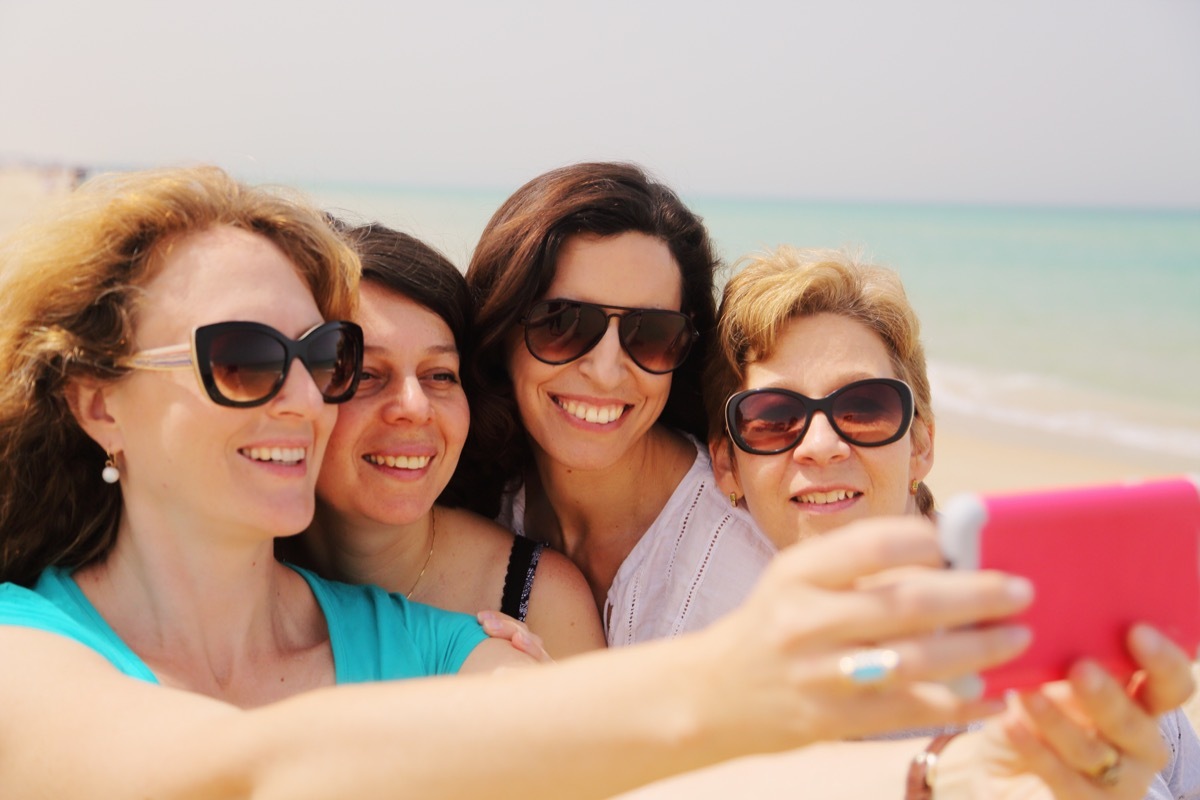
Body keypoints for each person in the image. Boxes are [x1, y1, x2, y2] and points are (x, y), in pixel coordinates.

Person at [0, 166, 1043, 798]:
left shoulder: (437, 638)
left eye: (322, 358)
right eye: (241, 358)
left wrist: (941, 777)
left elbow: (646, 784)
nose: (301, 399)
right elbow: (245, 776)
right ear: (98, 402)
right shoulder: (20, 650)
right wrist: (731, 675)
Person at [694, 245, 1199, 800]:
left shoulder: (1069, 642)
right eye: (774, 419)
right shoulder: (708, 659)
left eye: (864, 408)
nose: (821, 445)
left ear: (921, 444)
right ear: (726, 464)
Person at [463, 161, 774, 645]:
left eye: (650, 333)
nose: (606, 370)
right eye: (562, 323)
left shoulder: (747, 562)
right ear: (503, 330)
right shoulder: (475, 501)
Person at [281, 222, 605, 658]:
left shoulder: (541, 598)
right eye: (365, 375)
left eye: (440, 375)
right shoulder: (238, 566)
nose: (415, 406)